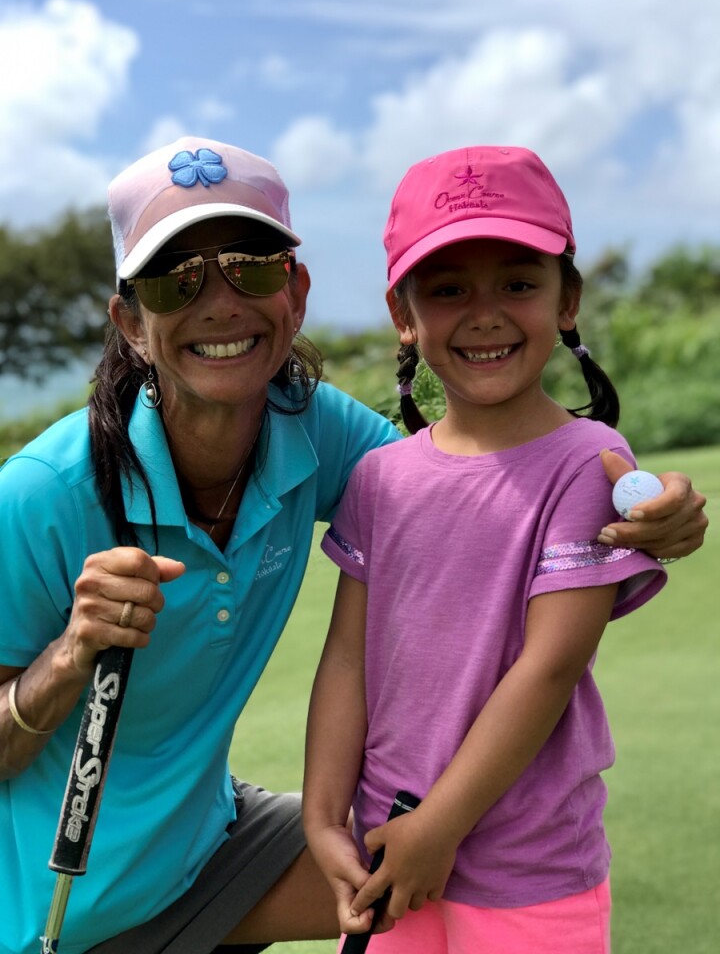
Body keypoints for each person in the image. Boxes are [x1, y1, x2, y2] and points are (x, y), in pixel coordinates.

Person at [0, 138, 706, 954]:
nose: (221, 304)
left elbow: (471, 489)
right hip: (60, 906)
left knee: (409, 855)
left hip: (210, 849)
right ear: (130, 320)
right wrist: (70, 655)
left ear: (295, 293)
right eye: (175, 279)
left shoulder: (320, 432)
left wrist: (655, 512)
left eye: (251, 268)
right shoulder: (41, 494)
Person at [302, 146, 695, 954]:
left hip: (528, 870)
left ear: (567, 301)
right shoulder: (378, 478)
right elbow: (346, 659)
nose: (485, 315)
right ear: (404, 314)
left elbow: (548, 668)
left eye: (518, 284)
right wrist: (321, 817)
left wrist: (439, 828)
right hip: (389, 850)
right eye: (449, 290)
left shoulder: (587, 463)